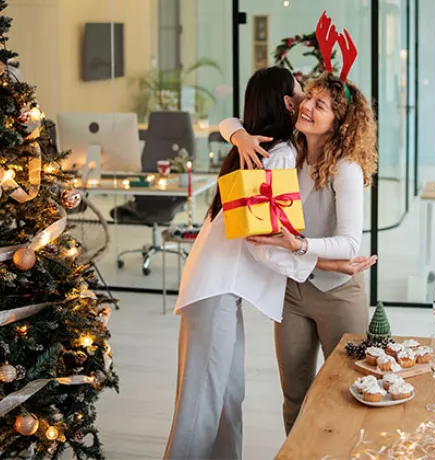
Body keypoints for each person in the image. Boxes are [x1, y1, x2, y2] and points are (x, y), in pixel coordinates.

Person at [163, 66, 375, 459]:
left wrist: (237, 133)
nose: (304, 103)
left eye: (316, 101)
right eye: (302, 94)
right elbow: (263, 243)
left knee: (228, 397)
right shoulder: (278, 154)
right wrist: (321, 265)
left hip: (223, 286)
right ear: (286, 103)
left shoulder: (276, 150)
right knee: (204, 403)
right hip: (221, 285)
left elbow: (327, 241)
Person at [219, 65, 377, 434]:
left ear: (340, 122)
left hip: (338, 294)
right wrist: (240, 136)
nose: (308, 106)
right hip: (291, 291)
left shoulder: (346, 168)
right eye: (309, 98)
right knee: (294, 394)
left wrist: (299, 244)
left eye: (321, 105)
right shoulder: (289, 151)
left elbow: (350, 244)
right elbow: (227, 121)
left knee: (351, 390)